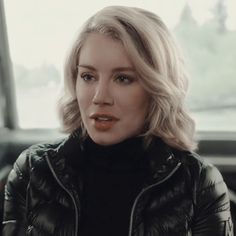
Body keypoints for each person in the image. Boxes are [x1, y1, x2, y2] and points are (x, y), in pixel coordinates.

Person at [2, 5, 233, 236]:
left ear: (156, 88)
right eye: (88, 76)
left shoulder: (199, 183)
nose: (99, 97)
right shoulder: (33, 171)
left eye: (123, 78)